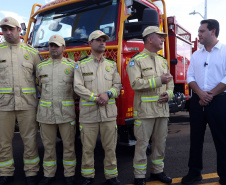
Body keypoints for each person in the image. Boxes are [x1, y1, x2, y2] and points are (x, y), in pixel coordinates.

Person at [126, 26, 174, 185]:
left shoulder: (163, 61)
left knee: (160, 144)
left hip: (162, 111)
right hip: (144, 112)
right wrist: (159, 80)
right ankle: (139, 176)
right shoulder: (136, 60)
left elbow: (171, 84)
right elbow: (135, 84)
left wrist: (169, 94)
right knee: (142, 145)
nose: (163, 39)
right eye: (159, 36)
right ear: (149, 39)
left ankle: (157, 172)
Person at [73, 30, 122, 185]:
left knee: (110, 148)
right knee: (87, 148)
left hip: (108, 114)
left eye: (103, 40)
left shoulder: (112, 65)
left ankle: (112, 176)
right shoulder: (81, 65)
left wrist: (108, 94)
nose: (102, 42)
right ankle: (88, 176)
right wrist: (96, 98)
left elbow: (117, 85)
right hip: (89, 115)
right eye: (98, 40)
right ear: (90, 43)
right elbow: (77, 87)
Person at [182, 19, 226, 185]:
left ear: (212, 31)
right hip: (198, 101)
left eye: (201, 31)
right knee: (195, 139)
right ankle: (194, 173)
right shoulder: (195, 55)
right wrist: (200, 94)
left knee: (222, 139)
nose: (198, 34)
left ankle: (225, 175)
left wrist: (211, 94)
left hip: (220, 101)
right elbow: (190, 77)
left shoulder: (224, 51)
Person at [0, 17, 41, 185]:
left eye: (11, 29)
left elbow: (40, 80)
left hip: (27, 104)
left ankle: (31, 173)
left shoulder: (32, 53)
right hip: (3, 105)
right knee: (3, 142)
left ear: (19, 30)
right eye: (5, 29)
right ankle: (5, 173)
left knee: (30, 140)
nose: (8, 32)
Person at [36, 34, 76, 185]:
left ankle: (70, 175)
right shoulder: (41, 67)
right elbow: (39, 87)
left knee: (69, 146)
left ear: (63, 48)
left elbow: (75, 90)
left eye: (56, 45)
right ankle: (48, 174)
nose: (53, 48)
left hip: (66, 113)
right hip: (46, 115)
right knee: (48, 146)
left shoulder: (72, 66)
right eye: (51, 45)